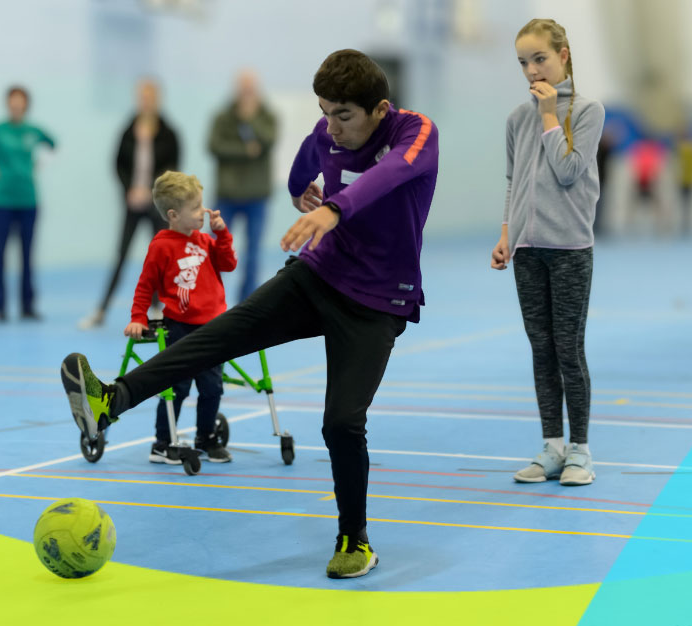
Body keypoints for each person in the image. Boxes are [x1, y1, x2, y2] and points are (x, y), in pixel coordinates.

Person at [60, 49, 438, 579]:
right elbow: (305, 162)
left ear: (378, 108)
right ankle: (110, 400)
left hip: (378, 302)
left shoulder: (414, 132)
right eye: (325, 111)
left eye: (343, 115)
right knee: (217, 336)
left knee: (341, 423)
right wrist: (297, 191)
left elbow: (393, 172)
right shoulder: (326, 131)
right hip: (318, 277)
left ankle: (355, 538)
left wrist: (334, 207)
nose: (331, 126)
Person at [491, 19, 605, 486]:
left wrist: (549, 116)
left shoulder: (588, 111)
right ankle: (552, 446)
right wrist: (506, 233)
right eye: (523, 62)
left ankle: (580, 450)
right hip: (528, 251)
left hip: (570, 250)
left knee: (568, 350)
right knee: (541, 349)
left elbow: (568, 171)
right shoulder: (516, 118)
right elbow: (514, 183)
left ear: (563, 55)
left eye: (539, 58)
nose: (531, 70)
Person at [125, 171, 236, 464]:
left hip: (213, 327)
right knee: (177, 387)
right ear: (173, 215)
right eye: (197, 208)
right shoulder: (161, 246)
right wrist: (138, 317)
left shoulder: (204, 240)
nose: (204, 211)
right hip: (182, 328)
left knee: (212, 387)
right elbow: (145, 284)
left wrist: (222, 234)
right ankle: (162, 442)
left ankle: (206, 438)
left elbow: (229, 263)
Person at [79, 79, 181, 329]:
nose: (144, 101)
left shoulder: (168, 132)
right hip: (132, 203)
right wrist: (130, 190)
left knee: (159, 257)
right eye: (141, 96)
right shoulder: (128, 129)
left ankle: (159, 308)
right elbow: (118, 164)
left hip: (156, 203)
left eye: (149, 96)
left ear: (157, 99)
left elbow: (172, 166)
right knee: (121, 255)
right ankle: (101, 309)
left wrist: (150, 190)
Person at [0, 86, 55, 322]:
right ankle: (0, 307)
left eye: (21, 102)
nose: (17, 106)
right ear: (8, 104)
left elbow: (54, 145)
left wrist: (41, 164)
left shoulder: (33, 131)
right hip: (2, 201)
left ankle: (27, 305)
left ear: (26, 105)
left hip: (28, 200)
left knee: (27, 255)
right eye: (13, 102)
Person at [208, 70, 277, 302]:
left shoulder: (267, 116)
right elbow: (214, 146)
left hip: (257, 196)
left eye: (250, 90)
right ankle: (209, 296)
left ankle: (245, 303)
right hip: (226, 195)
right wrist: (246, 151)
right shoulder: (223, 117)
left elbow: (269, 140)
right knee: (216, 249)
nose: (246, 94)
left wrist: (251, 120)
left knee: (253, 254)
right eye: (243, 89)